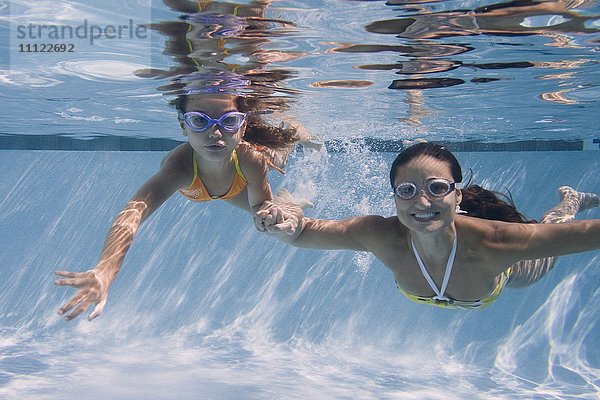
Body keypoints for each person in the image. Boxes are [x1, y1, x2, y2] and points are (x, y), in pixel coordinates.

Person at [54, 92, 311, 321]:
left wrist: (271, 213)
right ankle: (285, 200)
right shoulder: (180, 167)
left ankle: (297, 137)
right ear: (183, 126)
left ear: (242, 127)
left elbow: (259, 208)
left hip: (238, 182)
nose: (215, 132)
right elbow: (133, 212)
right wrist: (105, 269)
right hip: (218, 189)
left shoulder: (251, 159)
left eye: (229, 121)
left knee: (281, 149)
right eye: (200, 121)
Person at [257, 142, 600, 309]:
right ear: (394, 198)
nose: (422, 203)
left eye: (437, 188)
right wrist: (284, 218)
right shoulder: (381, 235)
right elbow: (301, 233)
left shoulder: (495, 243)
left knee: (539, 258)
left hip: (508, 272)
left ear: (458, 196)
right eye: (407, 191)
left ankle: (569, 201)